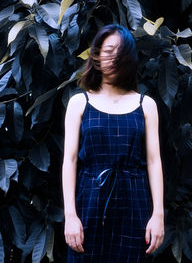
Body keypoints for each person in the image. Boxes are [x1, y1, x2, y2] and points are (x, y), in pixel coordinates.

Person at [62, 24, 164, 262]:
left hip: (135, 204)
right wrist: (70, 216)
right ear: (96, 55)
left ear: (129, 58)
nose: (112, 59)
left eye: (118, 53)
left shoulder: (145, 105)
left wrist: (158, 215)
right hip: (89, 203)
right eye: (107, 51)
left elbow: (154, 161)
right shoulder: (79, 103)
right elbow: (70, 160)